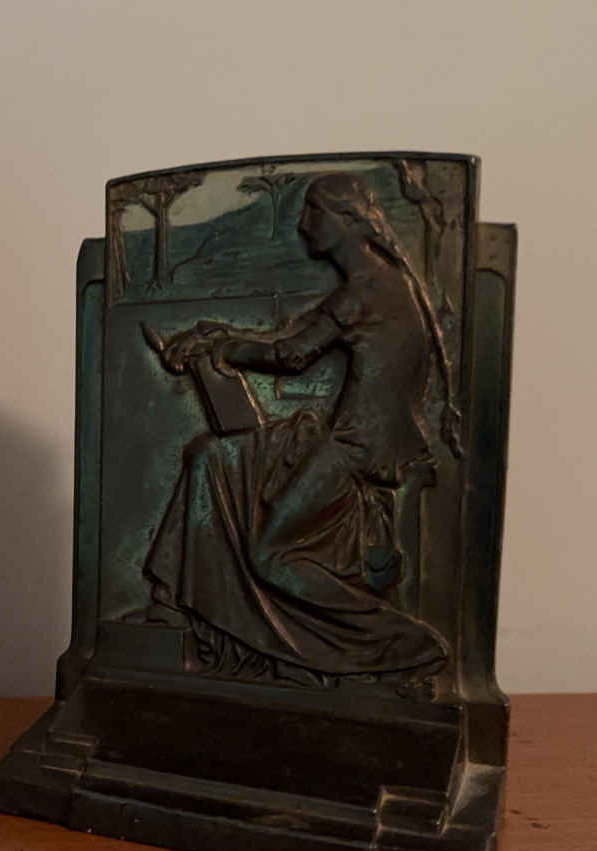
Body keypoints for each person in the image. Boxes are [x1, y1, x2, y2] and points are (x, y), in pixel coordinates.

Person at [146, 172, 461, 690]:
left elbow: (291, 355)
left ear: (348, 219)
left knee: (271, 554)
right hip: (349, 437)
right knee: (212, 455)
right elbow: (290, 335)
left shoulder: (364, 292)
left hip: (357, 448)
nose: (303, 223)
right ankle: (180, 605)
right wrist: (224, 334)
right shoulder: (386, 283)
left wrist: (222, 349)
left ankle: (403, 645)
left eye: (314, 210)